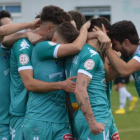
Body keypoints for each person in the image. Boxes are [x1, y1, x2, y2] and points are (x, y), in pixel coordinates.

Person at [9, 5, 78, 140]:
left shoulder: (49, 47)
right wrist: (26, 32)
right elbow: (29, 83)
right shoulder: (24, 45)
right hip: (21, 112)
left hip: (48, 114)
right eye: (58, 30)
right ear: (49, 28)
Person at [23, 19, 90, 139]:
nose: (66, 51)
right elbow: (77, 46)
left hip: (62, 124)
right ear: (54, 40)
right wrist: (84, 28)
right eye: (65, 47)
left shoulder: (65, 58)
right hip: (39, 120)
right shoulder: (43, 47)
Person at [0, 10, 40, 140]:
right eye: (7, 28)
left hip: (8, 119)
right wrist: (28, 28)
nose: (12, 31)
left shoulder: (13, 50)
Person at [90, 20, 140, 98]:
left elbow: (125, 71)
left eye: (114, 44)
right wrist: (102, 52)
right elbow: (109, 76)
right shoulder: (128, 56)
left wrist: (107, 47)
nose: (113, 48)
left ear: (126, 42)